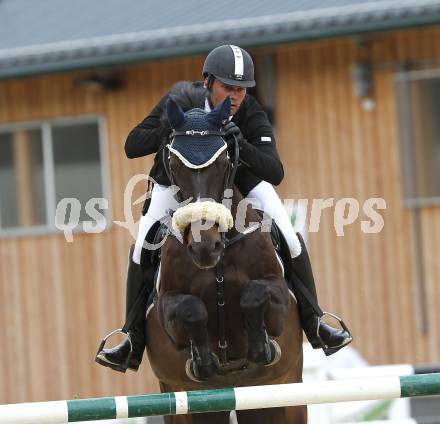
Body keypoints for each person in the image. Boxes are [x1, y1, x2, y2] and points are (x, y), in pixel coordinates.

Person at [95, 45, 352, 373]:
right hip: (176, 184)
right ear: (207, 82)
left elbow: (274, 171)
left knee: (289, 233)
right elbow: (133, 145)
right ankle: (130, 338)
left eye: (241, 89)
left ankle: (316, 321)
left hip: (236, 183)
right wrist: (174, 125)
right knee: (143, 243)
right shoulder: (181, 98)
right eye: (227, 87)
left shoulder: (249, 112)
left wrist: (240, 144)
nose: (234, 96)